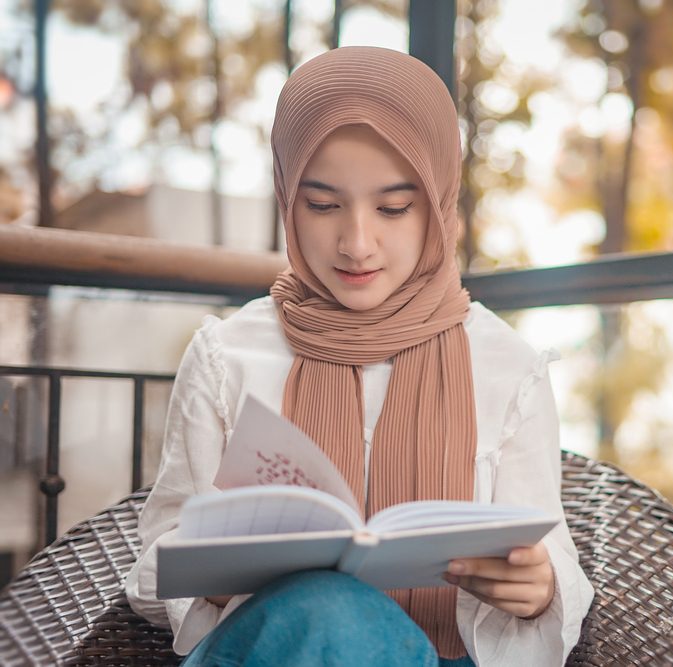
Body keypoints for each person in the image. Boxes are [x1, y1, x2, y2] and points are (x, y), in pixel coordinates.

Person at [124, 45, 594, 666]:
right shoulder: (226, 355)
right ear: (287, 199)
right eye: (321, 205)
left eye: (394, 208)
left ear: (438, 202)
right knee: (327, 608)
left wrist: (539, 590)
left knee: (342, 613)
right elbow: (152, 573)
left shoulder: (507, 367)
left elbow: (553, 562)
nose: (356, 243)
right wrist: (214, 574)